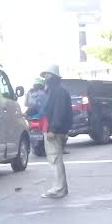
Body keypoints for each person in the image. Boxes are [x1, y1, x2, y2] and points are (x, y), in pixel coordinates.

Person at [40, 64, 72, 198]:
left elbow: (58, 112)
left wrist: (52, 129)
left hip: (55, 130)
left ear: (52, 76)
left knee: (54, 159)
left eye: (47, 75)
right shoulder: (57, 90)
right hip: (58, 129)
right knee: (56, 159)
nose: (45, 78)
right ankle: (61, 188)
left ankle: (59, 188)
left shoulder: (57, 91)